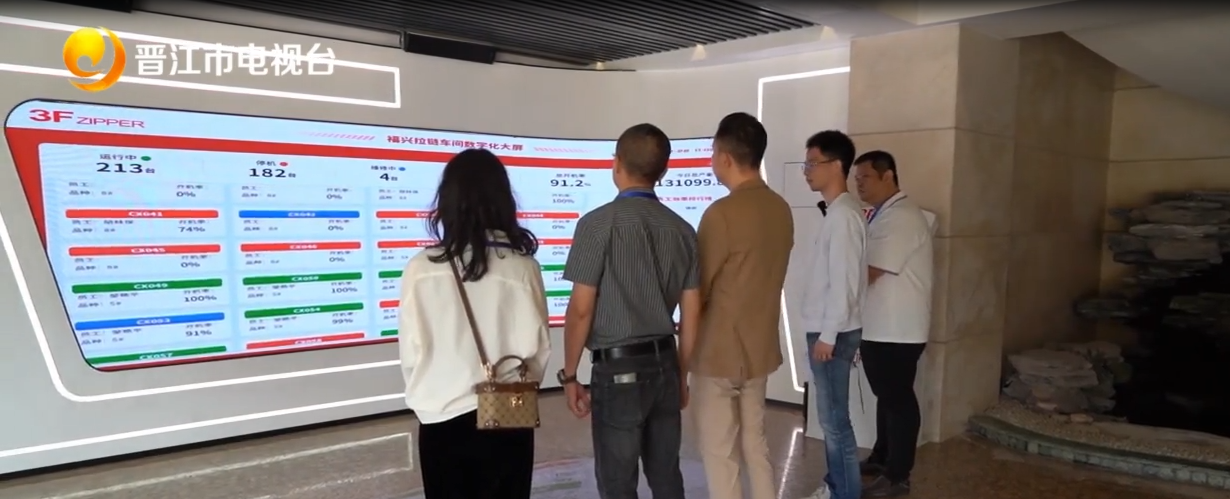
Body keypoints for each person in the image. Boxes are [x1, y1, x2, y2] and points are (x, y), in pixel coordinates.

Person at [398, 148, 551, 499]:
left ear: (447, 201)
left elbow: (411, 353)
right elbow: (538, 350)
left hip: (441, 415)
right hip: (508, 413)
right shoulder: (523, 267)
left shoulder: (420, 269)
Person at [558, 123, 700, 499]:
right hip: (665, 365)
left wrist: (569, 375)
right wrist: (682, 375)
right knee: (666, 476)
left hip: (618, 369)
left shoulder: (596, 225)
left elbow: (581, 310)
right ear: (664, 170)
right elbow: (691, 316)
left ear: (616, 163)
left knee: (618, 482)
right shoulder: (683, 230)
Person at [692, 112, 793, 499]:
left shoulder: (722, 213)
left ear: (724, 156)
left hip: (718, 352)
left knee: (721, 453)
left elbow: (698, 289)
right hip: (760, 347)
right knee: (756, 444)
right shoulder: (780, 209)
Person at [851, 151, 933, 498]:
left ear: (888, 176)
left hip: (896, 329)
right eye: (856, 179)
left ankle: (898, 475)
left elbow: (870, 271)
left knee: (897, 400)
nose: (859, 185)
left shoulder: (901, 217)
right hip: (882, 327)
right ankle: (882, 457)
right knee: (886, 397)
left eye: (866, 178)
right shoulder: (884, 215)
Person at [799, 130, 867, 499]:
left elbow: (844, 282)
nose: (806, 171)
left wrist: (828, 336)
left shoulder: (843, 216)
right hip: (831, 329)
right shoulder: (839, 212)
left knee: (835, 422)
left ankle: (845, 492)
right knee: (832, 420)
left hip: (833, 332)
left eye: (813, 163)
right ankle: (837, 486)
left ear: (837, 165)